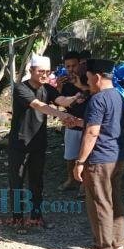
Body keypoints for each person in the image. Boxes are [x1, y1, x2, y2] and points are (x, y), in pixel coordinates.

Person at [9, 55, 77, 233]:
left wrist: (78, 96)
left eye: (47, 72)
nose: (44, 75)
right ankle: (17, 219)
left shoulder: (48, 88)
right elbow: (38, 105)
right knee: (17, 182)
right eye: (40, 71)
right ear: (31, 70)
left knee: (37, 182)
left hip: (39, 143)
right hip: (20, 143)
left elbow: (62, 100)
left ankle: (36, 217)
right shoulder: (20, 88)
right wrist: (61, 115)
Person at [71, 58, 124, 249]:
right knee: (114, 199)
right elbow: (107, 124)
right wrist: (80, 122)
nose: (87, 82)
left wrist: (80, 162)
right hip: (117, 155)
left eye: (87, 78)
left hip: (100, 158)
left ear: (96, 77)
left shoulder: (98, 99)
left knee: (99, 202)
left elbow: (93, 132)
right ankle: (117, 242)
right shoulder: (118, 96)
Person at [55, 51, 90, 191]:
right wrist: (58, 88)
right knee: (70, 155)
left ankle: (85, 184)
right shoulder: (65, 82)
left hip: (88, 123)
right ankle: (71, 179)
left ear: (80, 64)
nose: (70, 69)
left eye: (73, 65)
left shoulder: (89, 79)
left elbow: (95, 95)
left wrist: (81, 86)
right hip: (71, 123)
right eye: (67, 66)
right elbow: (60, 103)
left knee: (87, 155)